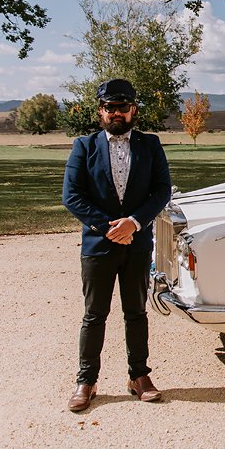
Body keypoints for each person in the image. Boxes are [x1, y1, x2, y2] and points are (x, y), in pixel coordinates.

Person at [62, 78, 172, 412]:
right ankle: (87, 381)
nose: (117, 114)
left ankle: (139, 376)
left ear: (133, 109)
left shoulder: (149, 144)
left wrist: (134, 223)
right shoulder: (84, 146)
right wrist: (108, 227)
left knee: (136, 312)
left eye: (123, 107)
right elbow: (72, 196)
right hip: (98, 245)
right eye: (110, 108)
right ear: (100, 110)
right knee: (94, 315)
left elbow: (161, 190)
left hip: (137, 244)